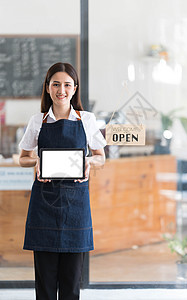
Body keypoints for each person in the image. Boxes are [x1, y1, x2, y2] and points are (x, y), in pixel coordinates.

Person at [19, 62, 106, 300]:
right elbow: (23, 158)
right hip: (43, 205)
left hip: (76, 206)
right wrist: (37, 162)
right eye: (56, 84)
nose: (61, 90)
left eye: (67, 85)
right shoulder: (38, 121)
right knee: (45, 286)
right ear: (47, 88)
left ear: (75, 88)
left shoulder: (86, 119)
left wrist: (88, 162)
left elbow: (101, 157)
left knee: (71, 285)